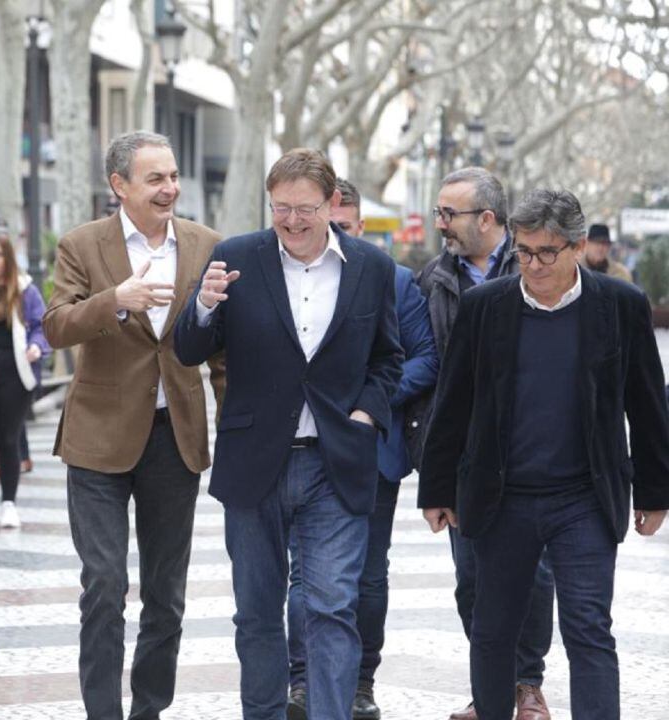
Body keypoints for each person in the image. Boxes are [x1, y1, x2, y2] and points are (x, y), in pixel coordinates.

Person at [419, 188, 669, 720]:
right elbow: (454, 400)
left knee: (588, 629)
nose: (532, 264)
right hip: (503, 497)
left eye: (546, 253)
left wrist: (655, 491)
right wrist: (438, 488)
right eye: (524, 250)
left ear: (578, 247)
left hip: (585, 497)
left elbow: (647, 405)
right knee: (493, 630)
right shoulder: (487, 306)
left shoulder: (621, 306)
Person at [175, 148, 402, 720]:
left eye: (305, 209)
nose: (293, 221)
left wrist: (366, 416)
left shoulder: (371, 267)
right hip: (255, 464)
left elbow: (388, 360)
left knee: (331, 608)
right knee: (255, 612)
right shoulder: (235, 258)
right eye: (281, 209)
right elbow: (188, 350)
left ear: (333, 204)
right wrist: (202, 306)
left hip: (337, 463)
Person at [42, 130, 223, 720]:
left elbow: (222, 351)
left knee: (166, 596)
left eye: (172, 176)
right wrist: (115, 298)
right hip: (97, 439)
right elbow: (56, 326)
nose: (170, 188)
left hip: (176, 439)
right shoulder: (81, 245)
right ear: (119, 185)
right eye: (156, 178)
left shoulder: (207, 245)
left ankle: (149, 708)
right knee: (103, 585)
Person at [285, 179, 438, 720]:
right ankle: (303, 681)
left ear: (356, 223)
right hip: (302, 449)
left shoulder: (392, 279)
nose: (332, 234)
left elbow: (424, 356)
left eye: (344, 226)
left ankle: (360, 683)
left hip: (371, 451)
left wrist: (367, 401)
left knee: (368, 575)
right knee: (305, 575)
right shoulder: (286, 273)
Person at [418, 167, 554, 720]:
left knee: (536, 576)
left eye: (450, 214)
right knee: (471, 580)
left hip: (532, 452)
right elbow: (428, 372)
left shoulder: (535, 269)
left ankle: (527, 684)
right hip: (466, 459)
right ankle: (490, 688)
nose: (441, 224)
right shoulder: (430, 280)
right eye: (439, 213)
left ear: (488, 219)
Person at [0, 224, 50, 529]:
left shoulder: (25, 289)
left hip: (16, 373)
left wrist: (36, 346)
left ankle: (9, 503)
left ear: (7, 259)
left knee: (8, 438)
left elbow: (42, 326)